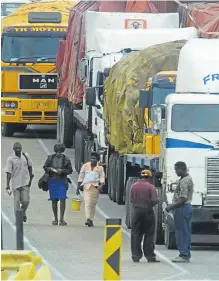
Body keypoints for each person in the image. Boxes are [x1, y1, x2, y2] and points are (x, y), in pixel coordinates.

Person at [165, 161, 194, 263]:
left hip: (182, 208)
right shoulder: (186, 179)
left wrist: (170, 207)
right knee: (185, 231)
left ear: (182, 169)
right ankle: (186, 253)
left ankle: (184, 255)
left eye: (176, 169)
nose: (175, 172)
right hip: (185, 208)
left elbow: (182, 198)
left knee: (181, 232)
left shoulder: (184, 181)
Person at [130, 169, 160, 263]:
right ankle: (150, 256)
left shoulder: (133, 186)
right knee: (149, 234)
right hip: (147, 211)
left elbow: (131, 200)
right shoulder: (151, 187)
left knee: (135, 234)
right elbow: (154, 200)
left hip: (136, 211)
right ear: (150, 177)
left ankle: (136, 256)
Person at [43, 143, 73, 226]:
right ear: (55, 151)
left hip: (62, 181)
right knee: (54, 200)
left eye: (60, 151)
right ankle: (55, 219)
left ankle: (61, 219)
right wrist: (51, 169)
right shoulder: (50, 158)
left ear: (62, 151)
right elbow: (45, 167)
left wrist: (62, 171)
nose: (58, 153)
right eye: (57, 151)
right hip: (52, 180)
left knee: (62, 199)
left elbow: (70, 170)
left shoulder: (66, 159)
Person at [5, 142, 34, 223]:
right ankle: (18, 220)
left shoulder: (26, 156)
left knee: (26, 201)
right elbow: (8, 172)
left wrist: (30, 179)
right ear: (13, 149)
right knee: (16, 202)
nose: (18, 150)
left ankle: (23, 212)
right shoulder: (11, 159)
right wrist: (7, 184)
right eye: (16, 148)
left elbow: (30, 167)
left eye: (19, 148)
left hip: (25, 182)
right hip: (15, 184)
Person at [77, 152, 105, 227]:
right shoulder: (85, 166)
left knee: (92, 204)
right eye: (91, 158)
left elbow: (102, 177)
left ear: (97, 160)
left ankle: (91, 219)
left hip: (95, 188)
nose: (93, 160)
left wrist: (101, 185)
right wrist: (78, 186)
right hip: (86, 187)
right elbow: (81, 176)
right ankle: (88, 218)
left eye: (94, 159)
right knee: (88, 202)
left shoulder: (100, 168)